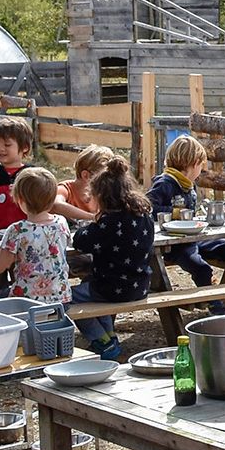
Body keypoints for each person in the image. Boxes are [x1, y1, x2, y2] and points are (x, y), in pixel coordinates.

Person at [67, 155, 153, 362]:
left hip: (111, 289)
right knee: (90, 286)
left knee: (66, 299)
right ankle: (110, 337)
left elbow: (81, 241)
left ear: (101, 197)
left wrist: (91, 223)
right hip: (140, 286)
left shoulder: (108, 223)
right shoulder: (143, 216)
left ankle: (102, 340)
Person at [0, 166, 72, 305]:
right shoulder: (61, 222)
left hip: (27, 302)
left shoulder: (17, 230)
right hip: (61, 300)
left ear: (19, 199)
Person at [149, 135, 220, 288]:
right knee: (201, 268)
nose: (201, 171)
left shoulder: (188, 185)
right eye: (201, 165)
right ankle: (214, 304)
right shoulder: (165, 183)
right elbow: (147, 208)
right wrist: (174, 213)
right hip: (173, 244)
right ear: (194, 164)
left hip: (192, 237)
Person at [54, 144, 117, 225]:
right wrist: (92, 217)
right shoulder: (66, 189)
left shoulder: (102, 195)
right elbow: (56, 204)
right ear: (86, 175)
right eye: (103, 177)